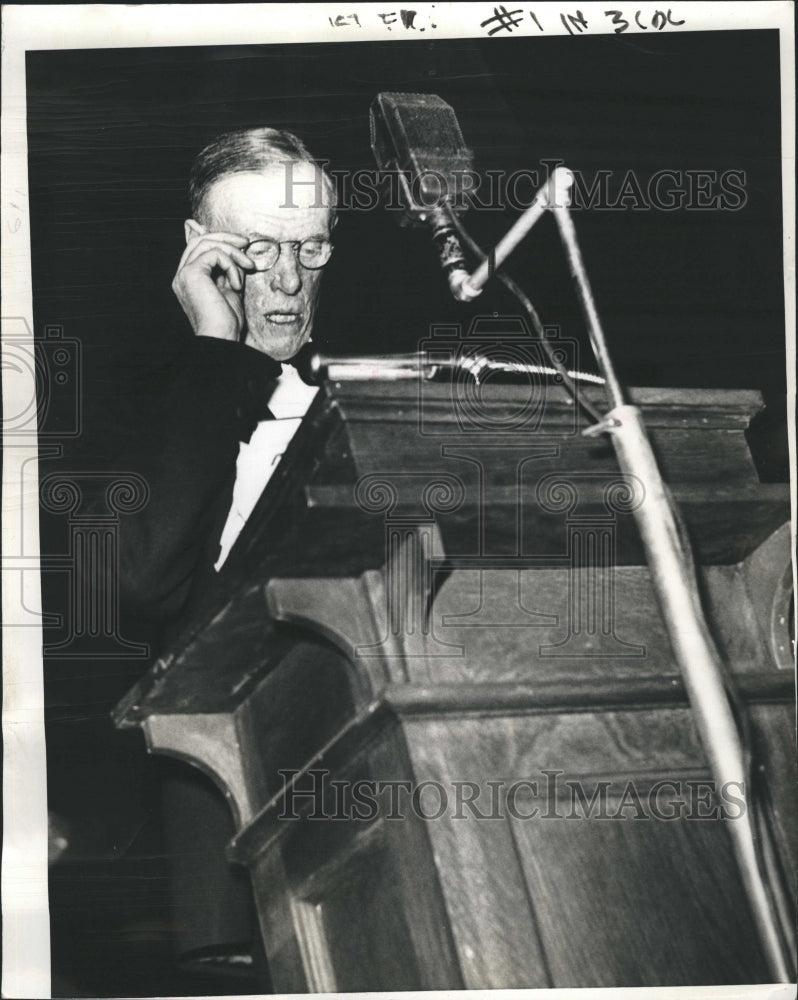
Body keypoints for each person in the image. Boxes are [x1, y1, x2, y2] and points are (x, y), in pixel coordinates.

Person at [113, 127, 336, 622]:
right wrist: (215, 341)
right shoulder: (138, 402)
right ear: (199, 245)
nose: (291, 279)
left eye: (311, 246)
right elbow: (137, 584)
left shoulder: (371, 395)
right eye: (259, 248)